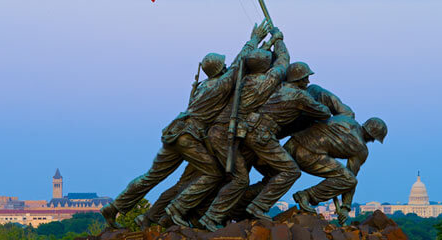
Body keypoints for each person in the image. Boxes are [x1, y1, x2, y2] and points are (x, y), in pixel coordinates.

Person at [100, 20, 270, 229]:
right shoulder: (219, 85)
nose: (226, 67)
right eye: (223, 66)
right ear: (218, 70)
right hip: (190, 137)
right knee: (213, 173)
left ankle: (115, 207)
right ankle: (177, 209)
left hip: (175, 132)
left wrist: (260, 49)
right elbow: (238, 66)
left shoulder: (201, 87)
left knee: (152, 176)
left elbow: (236, 67)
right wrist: (254, 39)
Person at [200, 61, 332, 230]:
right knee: (291, 172)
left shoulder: (279, 88)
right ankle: (257, 206)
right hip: (262, 136)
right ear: (298, 78)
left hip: (249, 132)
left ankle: (228, 212)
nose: (307, 82)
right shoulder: (300, 96)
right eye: (305, 78)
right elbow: (324, 112)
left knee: (268, 175)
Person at [284, 115, 387, 224]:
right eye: (374, 139)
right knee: (349, 180)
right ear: (371, 135)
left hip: (293, 143)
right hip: (307, 154)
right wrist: (346, 207)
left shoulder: (346, 119)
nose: (372, 141)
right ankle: (306, 195)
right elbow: (350, 178)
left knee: (273, 173)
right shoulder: (361, 149)